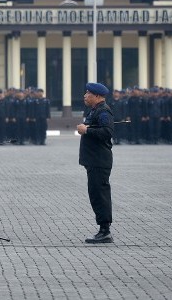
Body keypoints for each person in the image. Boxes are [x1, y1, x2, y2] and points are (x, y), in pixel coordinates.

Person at [77, 82, 115, 244]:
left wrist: (87, 130)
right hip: (94, 160)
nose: (85, 96)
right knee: (96, 194)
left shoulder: (103, 111)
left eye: (88, 93)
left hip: (99, 160)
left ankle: (105, 231)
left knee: (100, 195)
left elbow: (107, 132)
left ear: (98, 96)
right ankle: (103, 229)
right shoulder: (95, 110)